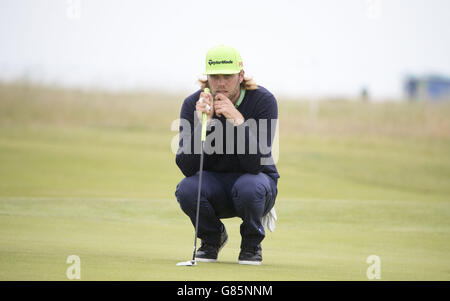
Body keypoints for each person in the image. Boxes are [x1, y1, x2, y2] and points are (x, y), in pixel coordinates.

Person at [175, 45, 280, 265]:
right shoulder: (193, 104)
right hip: (214, 185)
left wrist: (238, 121)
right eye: (215, 77)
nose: (221, 83)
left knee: (250, 187)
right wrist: (204, 123)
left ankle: (251, 245)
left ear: (241, 75)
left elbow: (255, 164)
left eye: (228, 76)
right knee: (186, 189)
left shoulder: (263, 101)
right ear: (207, 77)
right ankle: (212, 239)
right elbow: (186, 167)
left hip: (257, 182)